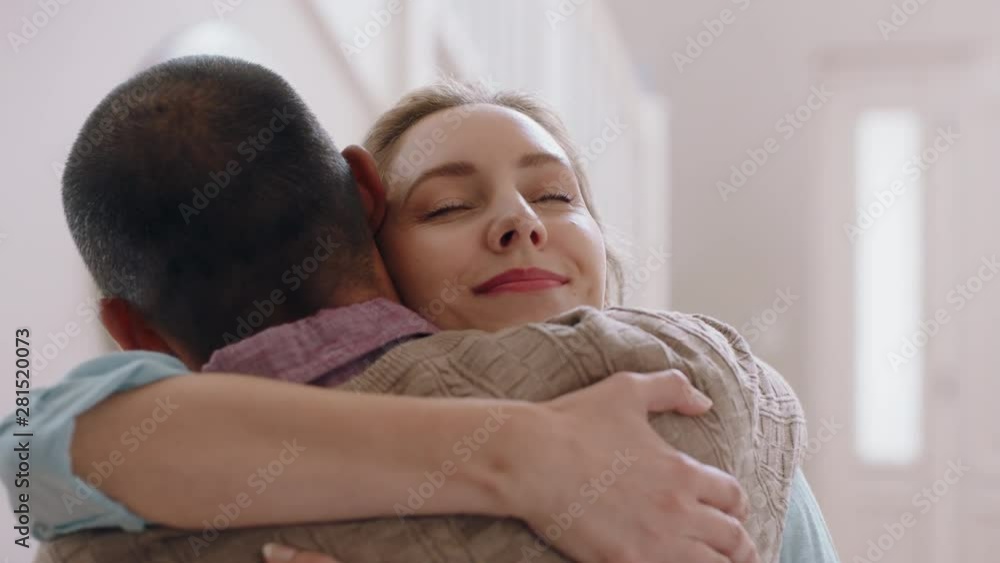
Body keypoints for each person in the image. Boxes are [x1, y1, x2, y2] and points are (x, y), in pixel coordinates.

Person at [1, 56, 837, 563]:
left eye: (554, 192)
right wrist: (530, 454)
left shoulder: (729, 435)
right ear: (372, 236)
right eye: (444, 208)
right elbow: (30, 450)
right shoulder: (247, 438)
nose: (521, 220)